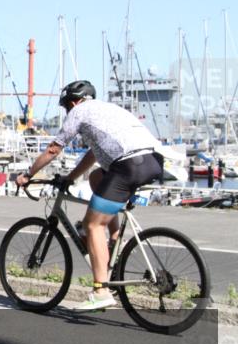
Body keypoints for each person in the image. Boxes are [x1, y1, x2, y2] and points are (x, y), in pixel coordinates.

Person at [16, 80, 163, 312]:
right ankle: (115, 237)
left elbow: (54, 149)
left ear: (74, 101)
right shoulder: (107, 110)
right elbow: (94, 154)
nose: (67, 111)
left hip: (127, 167)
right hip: (152, 162)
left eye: (66, 106)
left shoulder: (79, 112)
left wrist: (27, 174)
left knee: (92, 225)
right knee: (96, 179)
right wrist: (71, 177)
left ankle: (100, 290)